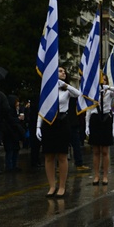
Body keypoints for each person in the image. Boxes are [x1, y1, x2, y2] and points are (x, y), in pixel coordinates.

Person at [36, 67, 81, 197]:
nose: (63, 72)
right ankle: (51, 186)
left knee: (62, 155)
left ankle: (62, 186)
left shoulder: (65, 90)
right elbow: (42, 108)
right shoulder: (47, 90)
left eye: (64, 71)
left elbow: (78, 94)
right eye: (60, 71)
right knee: (49, 155)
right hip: (49, 122)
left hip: (62, 122)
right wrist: (38, 126)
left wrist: (65, 85)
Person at [85, 78, 114, 185]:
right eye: (100, 79)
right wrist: (87, 125)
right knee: (96, 151)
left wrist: (108, 88)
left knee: (105, 151)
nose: (102, 81)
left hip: (106, 119)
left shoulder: (109, 92)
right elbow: (89, 109)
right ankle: (96, 176)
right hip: (95, 118)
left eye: (104, 79)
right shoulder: (93, 92)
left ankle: (105, 175)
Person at [3, 95, 24, 172]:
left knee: (14, 150)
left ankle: (13, 165)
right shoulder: (9, 111)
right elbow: (11, 121)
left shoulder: (13, 111)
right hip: (10, 133)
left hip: (13, 133)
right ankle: (10, 166)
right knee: (11, 150)